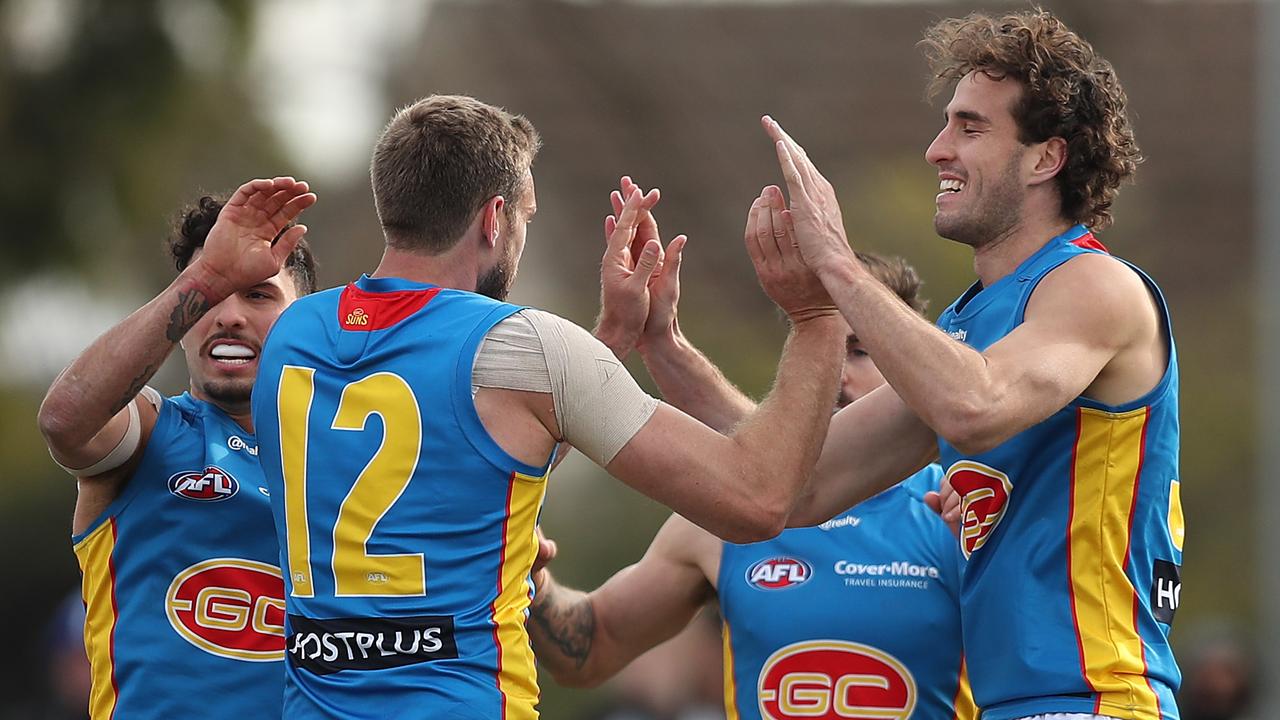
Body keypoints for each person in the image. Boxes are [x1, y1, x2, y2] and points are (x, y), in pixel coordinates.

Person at [599, 9, 1181, 720]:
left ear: (1044, 158)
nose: (937, 149)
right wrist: (638, 359)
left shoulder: (1095, 286)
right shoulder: (969, 328)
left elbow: (977, 407)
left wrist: (838, 270)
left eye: (970, 127)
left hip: (1096, 702)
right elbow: (803, 482)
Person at [249, 95, 847, 719]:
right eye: (526, 216)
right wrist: (816, 314)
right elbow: (757, 498)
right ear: (494, 219)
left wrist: (611, 340)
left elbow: (466, 452)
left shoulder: (294, 335)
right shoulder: (525, 345)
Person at [532, 229, 976, 719]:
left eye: (859, 350)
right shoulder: (724, 519)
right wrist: (529, 574)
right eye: (819, 346)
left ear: (909, 365)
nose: (834, 375)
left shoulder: (962, 509)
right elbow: (591, 649)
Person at [37, 177, 317, 719]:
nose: (229, 314)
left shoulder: (351, 462)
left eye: (258, 293)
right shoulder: (149, 433)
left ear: (304, 320)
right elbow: (64, 421)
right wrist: (206, 275)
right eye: (211, 296)